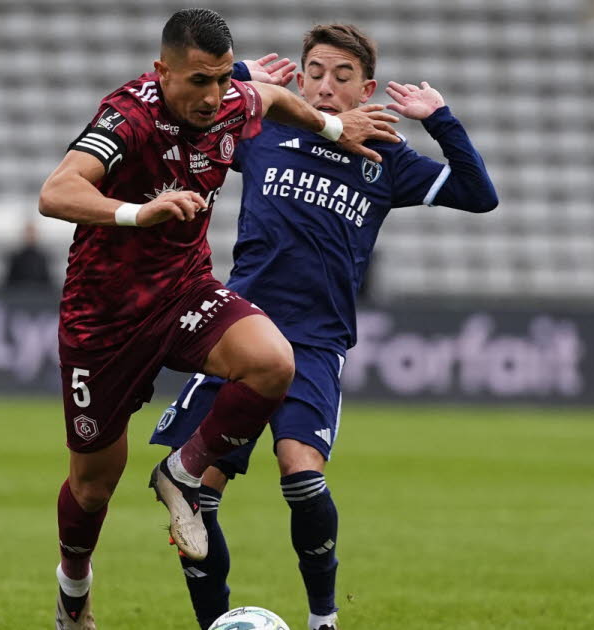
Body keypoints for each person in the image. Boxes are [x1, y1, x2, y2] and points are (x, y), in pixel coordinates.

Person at [37, 9, 400, 629]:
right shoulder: (129, 118)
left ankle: (181, 473)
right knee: (94, 485)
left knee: (271, 362)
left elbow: (274, 98)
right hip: (104, 317)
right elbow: (56, 192)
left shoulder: (232, 98)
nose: (213, 97)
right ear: (162, 72)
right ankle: (74, 591)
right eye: (199, 82)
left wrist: (333, 125)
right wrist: (136, 213)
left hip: (184, 291)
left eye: (220, 80)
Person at [149, 24, 498, 630]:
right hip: (238, 330)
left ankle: (323, 620)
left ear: (365, 90)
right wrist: (238, 80)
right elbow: (171, 112)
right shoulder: (261, 128)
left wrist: (438, 117)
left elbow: (479, 193)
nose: (325, 86)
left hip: (313, 341)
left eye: (341, 77)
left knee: (301, 471)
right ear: (301, 78)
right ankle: (213, 624)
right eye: (314, 72)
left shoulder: (386, 158)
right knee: (191, 491)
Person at [3, 220, 54, 290]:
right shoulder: (16, 257)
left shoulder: (42, 258)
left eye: (32, 233)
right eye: (28, 233)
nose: (30, 236)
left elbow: (48, 282)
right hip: (20, 294)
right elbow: (9, 282)